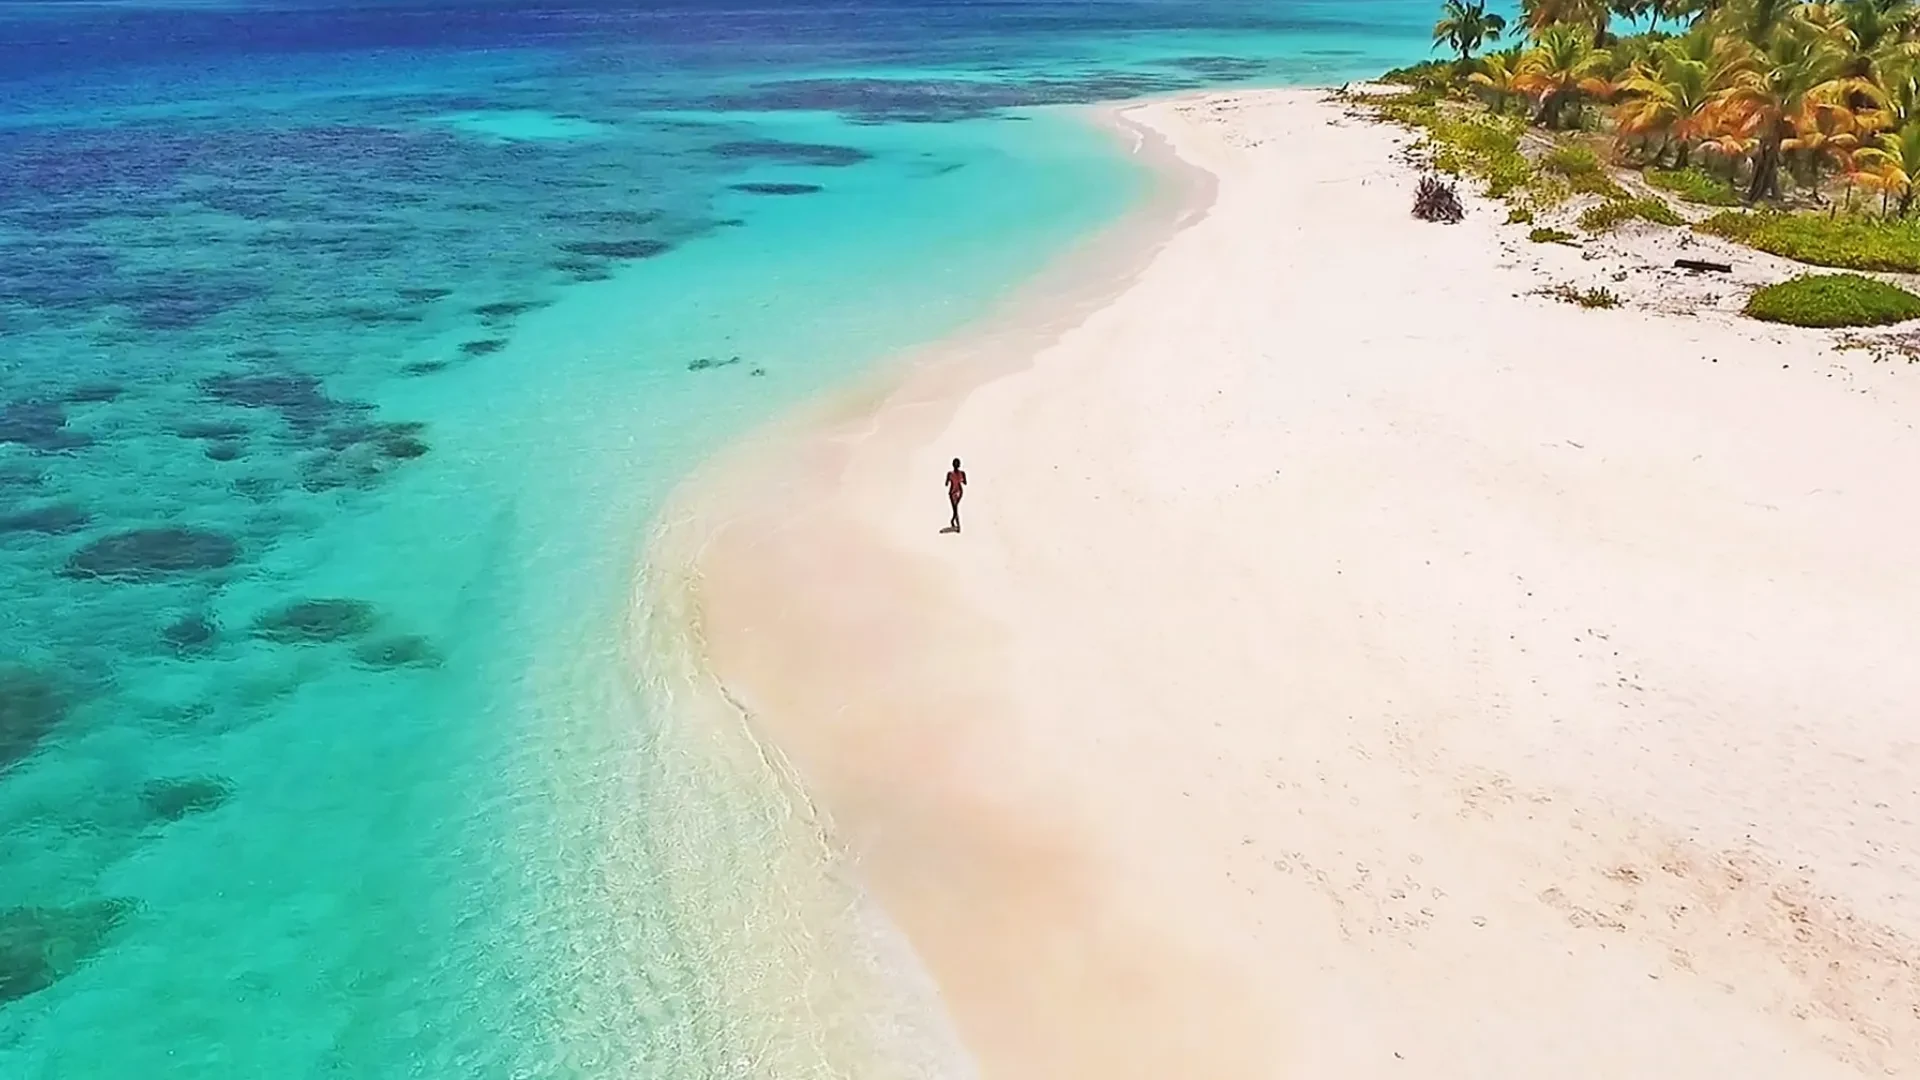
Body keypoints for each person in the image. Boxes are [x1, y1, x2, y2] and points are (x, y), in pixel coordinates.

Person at [945, 457, 967, 533]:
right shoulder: (951, 474)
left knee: (955, 508)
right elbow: (964, 482)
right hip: (953, 492)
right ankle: (956, 523)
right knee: (955, 509)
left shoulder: (960, 473)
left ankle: (956, 524)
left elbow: (946, 483)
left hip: (957, 492)